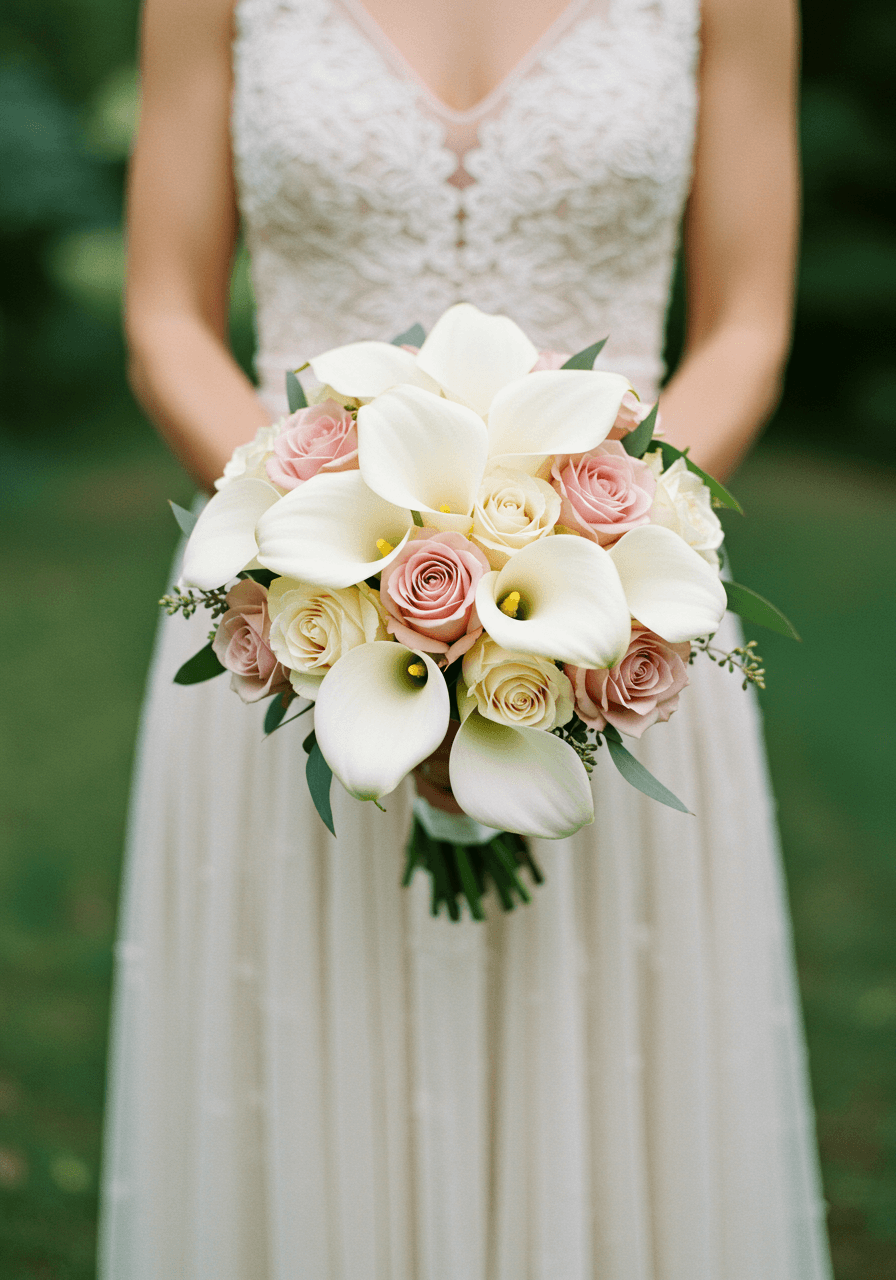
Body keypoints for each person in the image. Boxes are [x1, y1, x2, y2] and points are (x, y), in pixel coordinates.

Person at [99, 0, 834, 1274]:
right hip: (296, 594)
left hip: (620, 600)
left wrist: (603, 549)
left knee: (605, 1069)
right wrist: (301, 543)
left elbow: (746, 326)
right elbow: (165, 312)